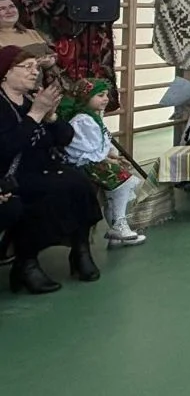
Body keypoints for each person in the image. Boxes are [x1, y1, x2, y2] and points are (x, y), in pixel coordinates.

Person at [0, 46, 103, 294]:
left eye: (36, 67)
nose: (35, 72)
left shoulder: (31, 99)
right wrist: (36, 114)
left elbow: (65, 138)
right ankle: (26, 262)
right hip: (11, 175)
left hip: (42, 168)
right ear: (5, 72)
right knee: (49, 192)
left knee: (80, 183)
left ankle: (80, 250)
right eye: (27, 67)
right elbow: (6, 148)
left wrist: (52, 116)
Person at [60, 79, 145, 248]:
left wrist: (112, 155)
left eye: (106, 95)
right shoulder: (82, 120)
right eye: (100, 95)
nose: (105, 99)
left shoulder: (93, 116)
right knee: (124, 180)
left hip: (94, 160)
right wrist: (108, 159)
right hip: (85, 164)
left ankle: (117, 232)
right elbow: (86, 149)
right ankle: (119, 225)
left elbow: (101, 143)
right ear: (86, 98)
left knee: (115, 190)